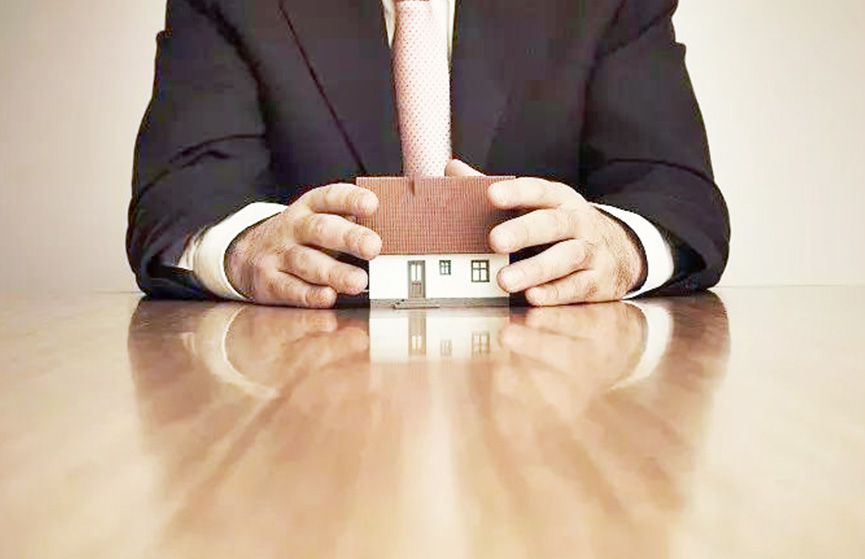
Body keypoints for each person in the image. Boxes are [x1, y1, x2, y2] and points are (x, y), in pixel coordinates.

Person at [127, 0, 730, 308]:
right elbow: (178, 201)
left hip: (553, 400)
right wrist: (245, 249)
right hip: (304, 402)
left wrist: (616, 248)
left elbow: (679, 198)